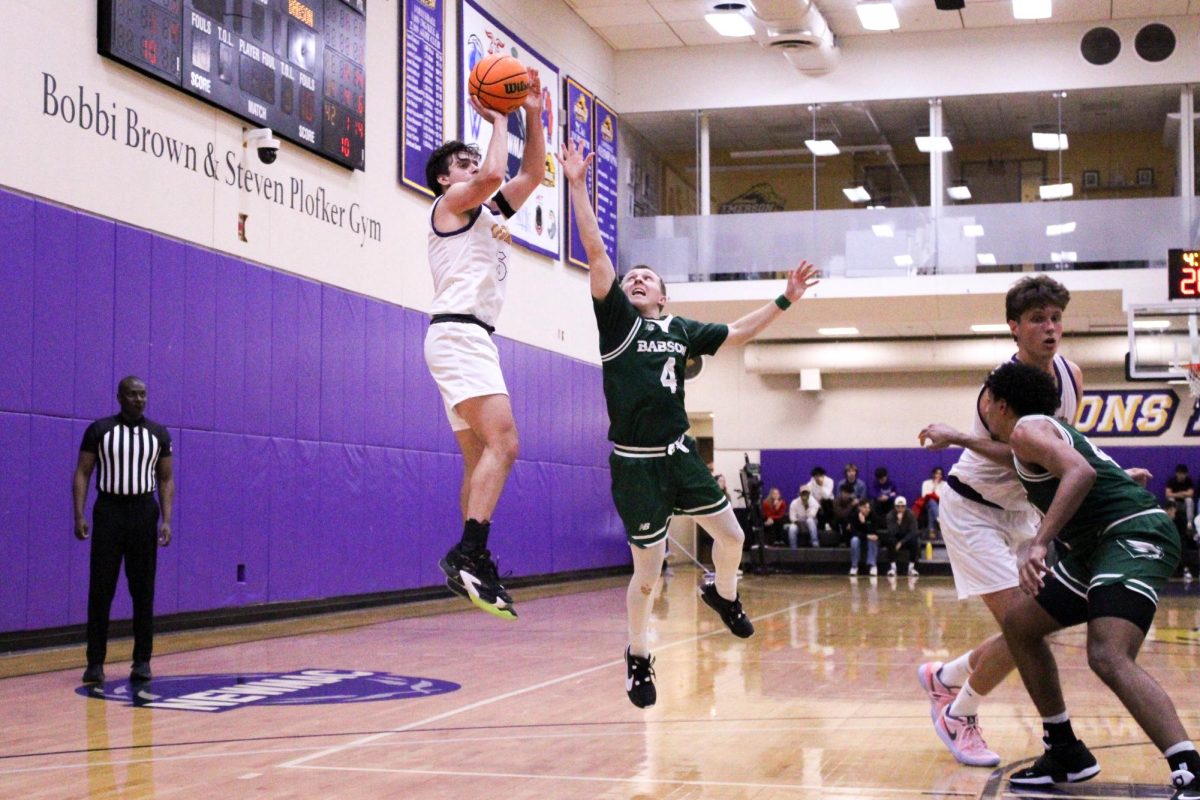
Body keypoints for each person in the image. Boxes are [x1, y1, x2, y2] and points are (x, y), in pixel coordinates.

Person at [559, 137, 819, 708]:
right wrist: (577, 185)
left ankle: (723, 595)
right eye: (633, 278)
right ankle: (639, 658)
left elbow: (740, 332)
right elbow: (599, 255)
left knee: (733, 536)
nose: (636, 280)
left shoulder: (679, 331)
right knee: (647, 576)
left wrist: (786, 298)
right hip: (635, 464)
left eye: (647, 278)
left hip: (679, 454)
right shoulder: (617, 325)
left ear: (664, 294)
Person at [977, 362, 1198, 799]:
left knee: (1107, 653)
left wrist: (1040, 542)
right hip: (1098, 544)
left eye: (984, 398)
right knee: (1021, 624)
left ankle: (1189, 768)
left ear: (998, 404)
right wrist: (957, 439)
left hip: (1132, 533)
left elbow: (1081, 472)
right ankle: (1064, 751)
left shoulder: (1025, 430)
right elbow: (1048, 463)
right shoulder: (1036, 434)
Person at [916, 275, 1082, 767]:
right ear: (1014, 327)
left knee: (1036, 625)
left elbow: (1063, 446)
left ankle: (946, 678)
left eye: (1055, 318)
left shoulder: (1072, 374)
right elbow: (1019, 455)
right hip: (974, 509)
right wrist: (960, 438)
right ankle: (958, 713)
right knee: (1023, 627)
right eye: (1037, 320)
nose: (1049, 328)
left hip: (1022, 513)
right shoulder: (999, 390)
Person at [423, 71, 546, 620]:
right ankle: (470, 553)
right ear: (445, 179)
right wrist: (500, 117)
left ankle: (470, 554)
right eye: (463, 163)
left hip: (467, 337)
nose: (475, 167)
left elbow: (533, 172)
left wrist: (535, 113)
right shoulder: (450, 205)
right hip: (458, 333)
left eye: (475, 160)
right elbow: (497, 171)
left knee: (478, 458)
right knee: (507, 443)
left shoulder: (490, 212)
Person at [72, 376, 174, 685]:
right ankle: (94, 663)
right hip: (109, 512)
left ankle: (142, 661)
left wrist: (166, 519)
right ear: (119, 396)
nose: (139, 400)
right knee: (101, 589)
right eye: (132, 394)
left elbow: (166, 479)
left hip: (144, 512)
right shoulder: (100, 430)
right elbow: (83, 472)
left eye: (143, 395)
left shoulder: (158, 433)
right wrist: (79, 514)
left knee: (143, 590)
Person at [883, 496, 921, 577]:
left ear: (905, 506)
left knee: (915, 541)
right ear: (895, 506)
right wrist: (899, 522)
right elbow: (892, 531)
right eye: (898, 506)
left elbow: (913, 532)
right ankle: (893, 568)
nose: (900, 508)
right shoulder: (890, 515)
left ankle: (911, 568)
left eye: (902, 506)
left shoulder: (911, 514)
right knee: (889, 540)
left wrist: (901, 542)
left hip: (907, 539)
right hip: (895, 537)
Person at [846, 499, 879, 577]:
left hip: (870, 538)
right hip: (860, 538)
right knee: (854, 540)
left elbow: (874, 531)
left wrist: (864, 523)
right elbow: (853, 532)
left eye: (868, 507)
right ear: (859, 508)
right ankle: (854, 566)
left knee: (873, 539)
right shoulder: (854, 516)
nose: (867, 509)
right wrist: (866, 536)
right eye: (865, 507)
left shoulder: (873, 515)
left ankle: (872, 565)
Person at [1165, 464, 1195, 539]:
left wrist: (1175, 494)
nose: (1181, 476)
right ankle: (1170, 522)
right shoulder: (1171, 481)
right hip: (1175, 504)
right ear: (1176, 473)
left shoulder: (1189, 481)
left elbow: (1190, 494)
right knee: (1171, 500)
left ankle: (1189, 524)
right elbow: (1168, 494)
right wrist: (1181, 494)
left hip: (1184, 505)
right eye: (1179, 473)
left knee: (1189, 500)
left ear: (1186, 474)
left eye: (1183, 474)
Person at [918, 466, 945, 535]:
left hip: (940, 504)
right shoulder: (926, 483)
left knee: (931, 508)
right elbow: (924, 495)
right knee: (931, 501)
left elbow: (944, 497)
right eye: (937, 474)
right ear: (933, 474)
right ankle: (940, 520)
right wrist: (934, 486)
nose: (938, 476)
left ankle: (931, 530)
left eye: (940, 474)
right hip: (926, 503)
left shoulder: (944, 484)